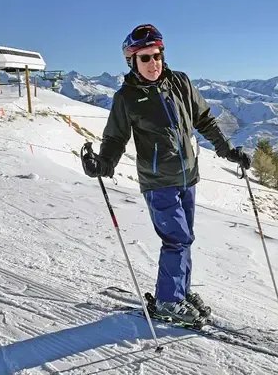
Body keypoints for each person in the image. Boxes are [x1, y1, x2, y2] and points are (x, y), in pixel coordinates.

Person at [81, 24, 251, 323]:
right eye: (145, 58)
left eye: (157, 55)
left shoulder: (180, 83)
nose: (153, 63)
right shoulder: (127, 97)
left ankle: (180, 291)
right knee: (176, 239)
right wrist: (104, 164)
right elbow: (115, 138)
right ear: (132, 61)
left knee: (185, 238)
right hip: (158, 181)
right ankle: (168, 301)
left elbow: (204, 120)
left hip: (188, 175)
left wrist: (227, 150)